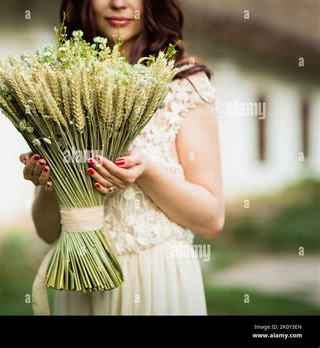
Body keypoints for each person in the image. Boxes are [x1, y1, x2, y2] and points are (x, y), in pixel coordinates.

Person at [20, 0, 224, 315]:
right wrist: (51, 181)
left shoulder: (185, 84)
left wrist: (147, 171)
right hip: (83, 284)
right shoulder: (60, 86)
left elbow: (211, 219)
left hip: (159, 282)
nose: (118, 2)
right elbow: (47, 232)